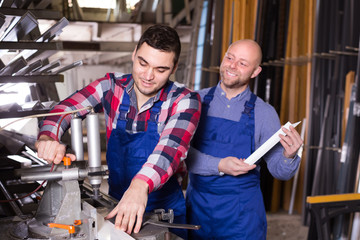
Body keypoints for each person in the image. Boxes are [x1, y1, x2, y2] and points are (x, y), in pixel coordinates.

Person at [35, 24, 201, 238]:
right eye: (143, 63)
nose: (148, 76)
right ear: (134, 54)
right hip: (115, 206)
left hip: (165, 215)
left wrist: (140, 185)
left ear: (174, 67)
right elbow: (65, 109)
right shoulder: (110, 87)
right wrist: (48, 136)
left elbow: (170, 149)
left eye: (161, 70)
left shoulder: (185, 100)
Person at [185, 39, 303, 239]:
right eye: (229, 58)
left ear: (255, 72)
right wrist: (220, 165)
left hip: (242, 217)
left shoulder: (264, 113)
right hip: (198, 210)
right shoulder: (194, 101)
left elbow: (279, 171)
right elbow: (180, 154)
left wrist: (288, 156)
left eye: (242, 63)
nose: (232, 65)